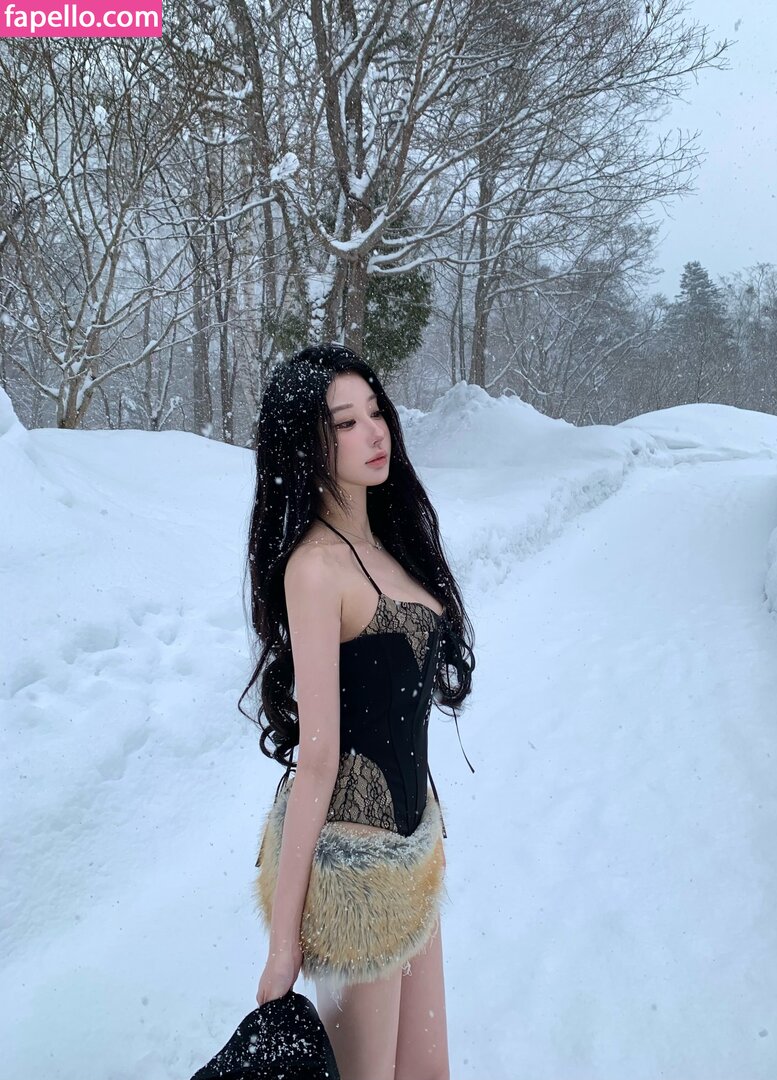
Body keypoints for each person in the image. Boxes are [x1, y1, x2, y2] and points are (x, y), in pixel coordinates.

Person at [239, 343, 475, 1080]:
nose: (374, 432)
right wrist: (283, 945)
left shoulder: (388, 544)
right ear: (305, 443)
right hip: (354, 871)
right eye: (345, 422)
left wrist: (430, 819)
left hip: (412, 847)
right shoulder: (315, 568)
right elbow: (318, 759)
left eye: (376, 412)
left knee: (428, 1071)